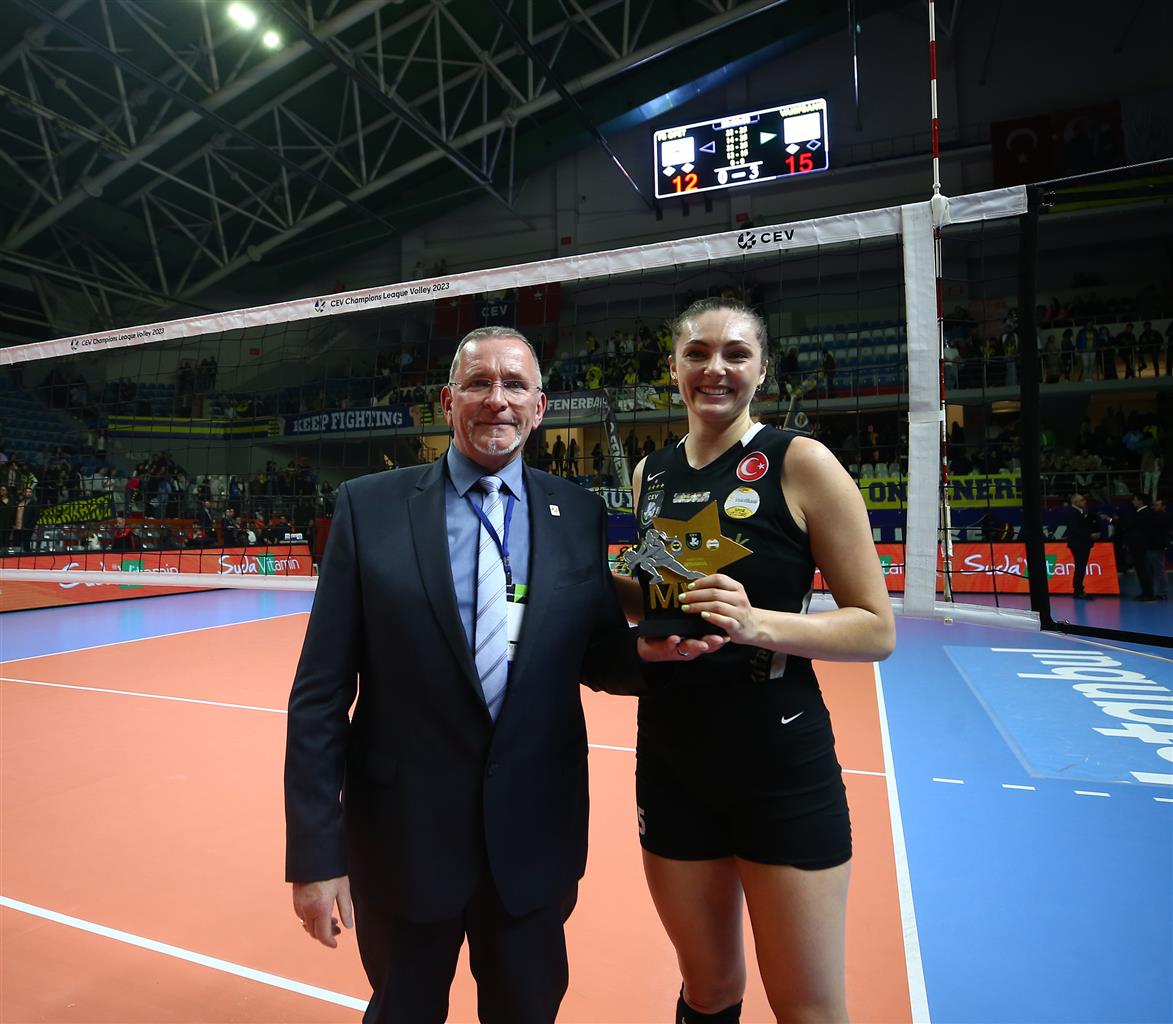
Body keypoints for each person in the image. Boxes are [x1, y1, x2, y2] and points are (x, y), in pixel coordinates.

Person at [284, 326, 646, 1024]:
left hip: (534, 838)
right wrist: (314, 856)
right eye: (479, 383)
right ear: (448, 402)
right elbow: (319, 695)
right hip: (404, 842)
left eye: (515, 385)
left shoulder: (578, 514)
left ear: (539, 408)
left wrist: (678, 648)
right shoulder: (368, 506)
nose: (497, 399)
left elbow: (601, 654)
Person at [613, 297, 895, 1023]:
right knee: (708, 989)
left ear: (761, 370)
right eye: (697, 353)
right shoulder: (650, 472)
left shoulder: (802, 462)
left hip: (778, 761)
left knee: (808, 1009)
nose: (715, 368)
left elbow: (875, 629)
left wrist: (754, 624)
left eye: (735, 354)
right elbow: (665, 598)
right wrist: (583, 578)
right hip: (671, 756)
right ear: (673, 367)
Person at [1064, 493, 1101, 599]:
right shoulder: (1072, 513)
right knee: (1080, 566)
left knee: (1081, 567)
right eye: (1082, 500)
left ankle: (1079, 589)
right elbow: (1075, 529)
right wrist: (1089, 535)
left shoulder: (1081, 512)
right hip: (1078, 544)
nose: (1084, 502)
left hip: (1082, 543)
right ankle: (1078, 590)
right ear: (1075, 502)